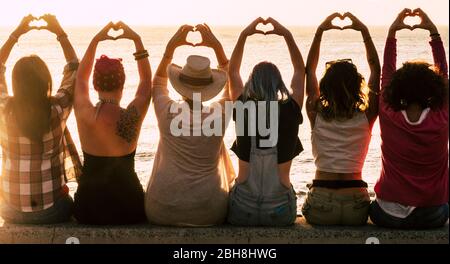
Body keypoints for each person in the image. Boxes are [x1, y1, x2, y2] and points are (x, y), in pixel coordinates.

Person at [145, 24, 235, 226]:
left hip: (161, 208)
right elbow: (234, 89)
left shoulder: (167, 112)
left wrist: (171, 49)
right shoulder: (218, 115)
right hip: (209, 211)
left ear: (180, 85)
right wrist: (217, 47)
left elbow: (158, 83)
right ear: (210, 87)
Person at [369, 8, 449, 229]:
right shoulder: (441, 116)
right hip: (432, 214)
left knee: (372, 208)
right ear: (434, 90)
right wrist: (433, 32)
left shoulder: (388, 113)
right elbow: (444, 75)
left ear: (397, 89)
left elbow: (386, 74)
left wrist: (392, 32)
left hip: (387, 214)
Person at [0, 14, 81, 224]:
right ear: (46, 83)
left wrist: (16, 34)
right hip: (52, 211)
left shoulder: (4, 111)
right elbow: (74, 68)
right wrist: (60, 33)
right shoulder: (57, 109)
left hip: (9, 210)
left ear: (15, 84)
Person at [301, 13, 381, 225]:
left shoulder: (315, 113)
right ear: (358, 86)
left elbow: (308, 70)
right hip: (356, 205)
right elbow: (376, 69)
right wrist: (364, 31)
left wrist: (320, 32)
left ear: (325, 87)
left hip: (321, 203)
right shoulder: (367, 115)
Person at [226, 17, 305, 226]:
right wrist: (286, 34)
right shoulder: (291, 108)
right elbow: (299, 70)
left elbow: (232, 72)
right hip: (279, 209)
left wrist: (244, 35)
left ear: (251, 82)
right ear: (279, 82)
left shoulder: (242, 106)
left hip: (243, 208)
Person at [73, 22, 152, 225]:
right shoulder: (132, 115)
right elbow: (145, 82)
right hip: (130, 206)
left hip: (88, 208)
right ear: (123, 83)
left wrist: (95, 41)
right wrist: (136, 39)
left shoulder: (85, 113)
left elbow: (80, 78)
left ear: (95, 83)